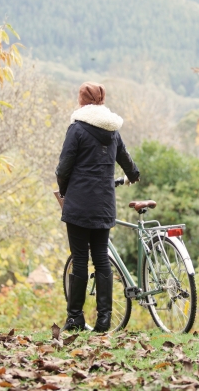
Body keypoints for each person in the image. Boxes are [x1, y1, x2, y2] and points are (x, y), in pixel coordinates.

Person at [55, 82, 140, 332]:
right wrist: (134, 175)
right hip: (104, 204)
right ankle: (104, 319)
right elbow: (126, 160)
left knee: (80, 259)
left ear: (82, 101)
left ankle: (75, 318)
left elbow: (63, 168)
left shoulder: (77, 129)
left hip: (79, 203)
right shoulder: (113, 131)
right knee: (101, 258)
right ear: (102, 101)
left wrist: (64, 189)